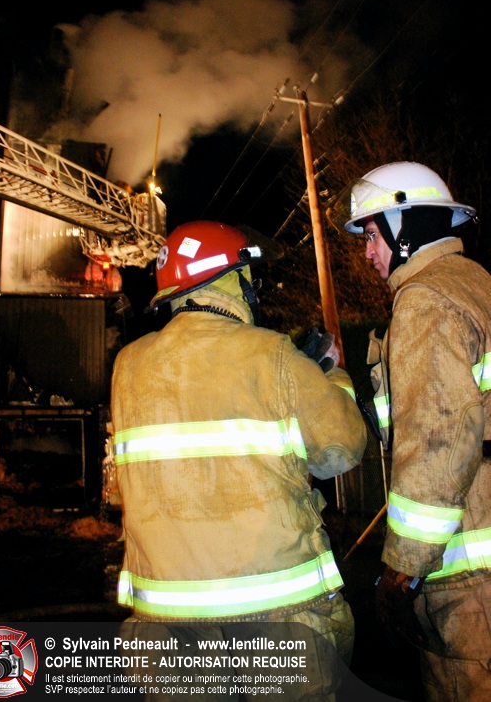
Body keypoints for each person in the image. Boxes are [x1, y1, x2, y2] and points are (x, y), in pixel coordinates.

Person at [110, 219, 367, 701]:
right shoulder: (272, 354)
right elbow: (340, 451)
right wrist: (331, 376)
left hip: (168, 627)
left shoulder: (127, 367)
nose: (257, 290)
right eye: (252, 279)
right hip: (277, 618)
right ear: (234, 279)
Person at [343, 161, 491, 701]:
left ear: (406, 227)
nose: (366, 253)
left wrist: (401, 572)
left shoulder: (425, 299)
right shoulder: (477, 284)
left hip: (471, 583)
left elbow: (436, 446)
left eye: (372, 235)